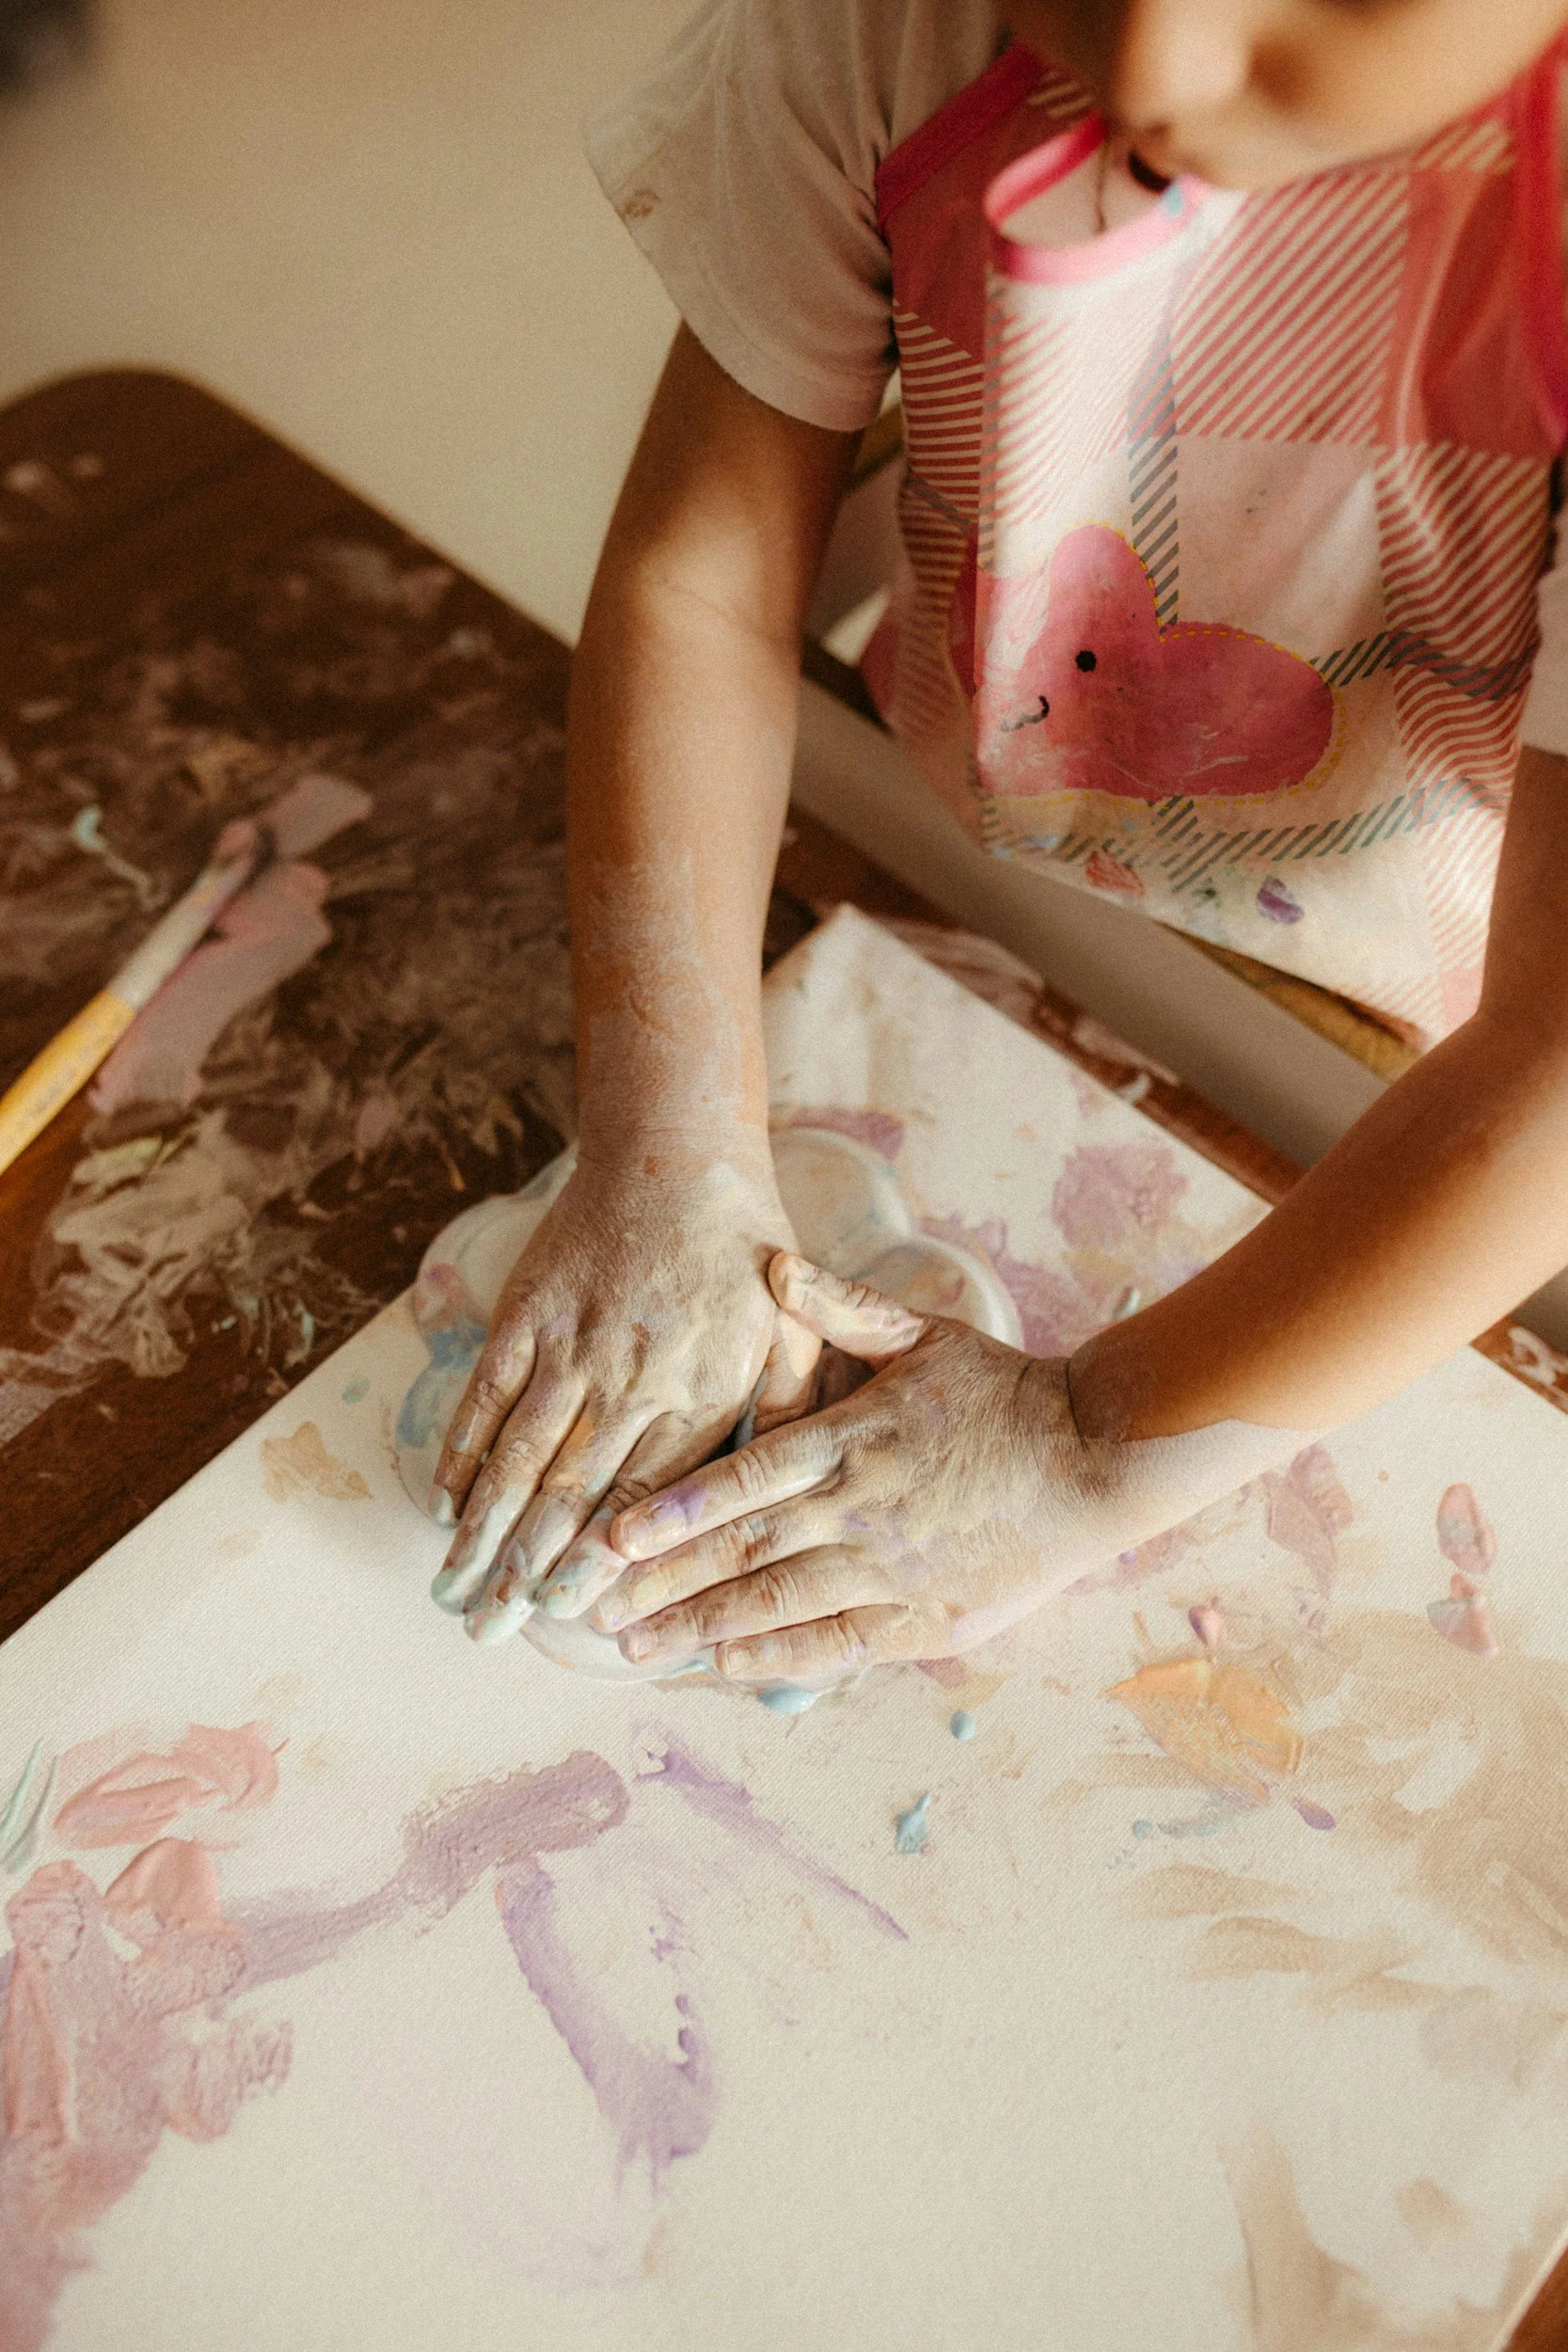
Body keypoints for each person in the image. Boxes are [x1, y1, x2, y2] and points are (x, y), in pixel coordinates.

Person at [427, 0, 1568, 1683]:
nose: (1158, 66)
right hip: (980, 844)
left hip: (1416, 1048)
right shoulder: (879, 27)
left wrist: (1086, 1449)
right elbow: (700, 584)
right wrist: (665, 1134)